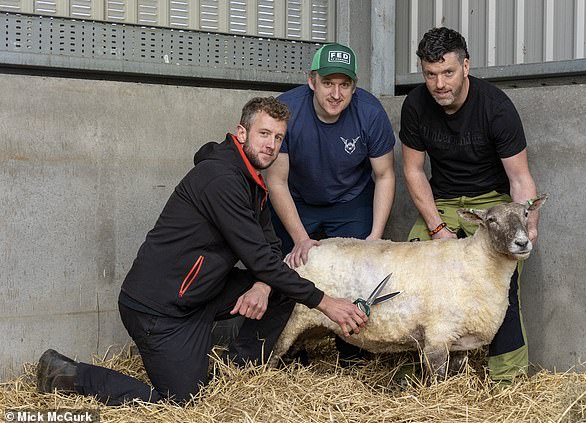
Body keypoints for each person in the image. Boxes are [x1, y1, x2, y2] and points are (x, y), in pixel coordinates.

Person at [35, 97, 368, 405]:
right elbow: (259, 257)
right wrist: (326, 303)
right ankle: (69, 375)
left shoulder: (253, 180)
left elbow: (269, 248)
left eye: (279, 138)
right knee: (181, 401)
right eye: (264, 133)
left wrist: (263, 285)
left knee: (280, 290)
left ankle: (239, 372)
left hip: (200, 294)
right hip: (159, 310)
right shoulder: (220, 179)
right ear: (241, 133)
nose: (271, 145)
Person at [399, 27, 540, 383]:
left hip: (493, 203)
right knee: (412, 268)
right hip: (443, 200)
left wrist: (528, 226)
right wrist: (435, 227)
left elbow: (520, 179)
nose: (439, 83)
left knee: (504, 280)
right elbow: (413, 171)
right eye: (430, 74)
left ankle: (509, 378)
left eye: (447, 72)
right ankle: (417, 370)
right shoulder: (415, 105)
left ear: (466, 66)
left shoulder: (496, 107)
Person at [266, 43, 396, 363]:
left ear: (354, 86)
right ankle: (286, 350)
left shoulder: (370, 112)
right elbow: (275, 181)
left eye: (345, 84)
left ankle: (352, 350)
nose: (336, 93)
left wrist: (375, 237)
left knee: (357, 274)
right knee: (288, 269)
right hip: (297, 198)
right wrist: (300, 239)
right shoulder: (286, 110)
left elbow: (385, 176)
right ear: (312, 81)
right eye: (328, 83)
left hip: (351, 200)